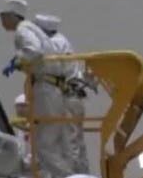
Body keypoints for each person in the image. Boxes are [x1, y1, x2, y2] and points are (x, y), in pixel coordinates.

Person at [0, 0, 67, 178]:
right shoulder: (31, 29)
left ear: (13, 16)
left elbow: (35, 51)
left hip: (46, 86)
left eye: (3, 16)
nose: (2, 21)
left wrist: (19, 61)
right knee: (48, 142)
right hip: (50, 86)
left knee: (44, 146)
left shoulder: (23, 30)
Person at [37, 13, 90, 175]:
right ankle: (82, 173)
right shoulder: (63, 41)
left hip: (68, 96)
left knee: (68, 143)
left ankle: (73, 175)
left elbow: (44, 66)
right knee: (77, 143)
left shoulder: (54, 44)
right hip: (76, 96)